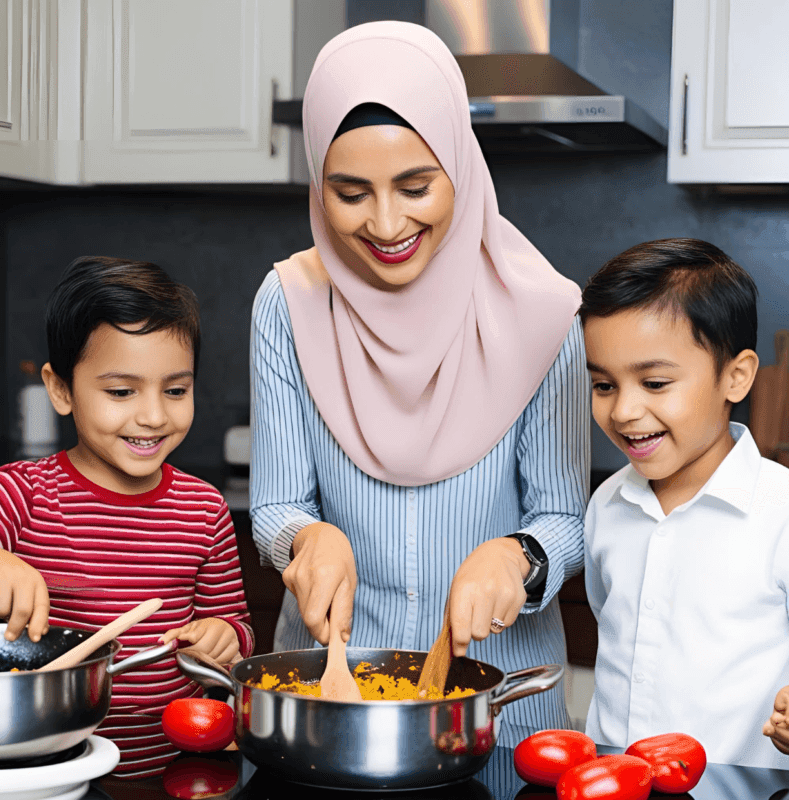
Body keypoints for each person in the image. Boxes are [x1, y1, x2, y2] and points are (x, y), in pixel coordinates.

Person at [250, 20, 589, 745]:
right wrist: (305, 540)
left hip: (500, 710)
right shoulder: (286, 303)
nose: (386, 222)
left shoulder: (545, 312)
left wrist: (519, 556)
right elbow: (277, 503)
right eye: (349, 192)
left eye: (415, 185)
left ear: (459, 167)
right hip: (324, 701)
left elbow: (566, 518)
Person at [0, 256, 253, 778]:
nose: (153, 415)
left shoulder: (204, 509)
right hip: (47, 764)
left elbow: (237, 625)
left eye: (175, 390)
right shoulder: (22, 493)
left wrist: (225, 635)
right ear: (61, 389)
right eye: (121, 392)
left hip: (172, 769)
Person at [581, 237, 789, 768]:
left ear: (736, 377)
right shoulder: (607, 505)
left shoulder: (780, 513)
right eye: (603, 385)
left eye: (654, 382)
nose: (625, 410)